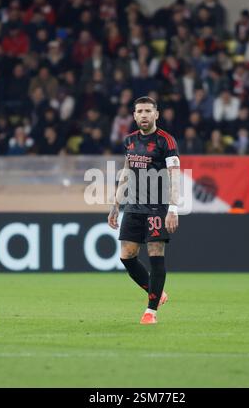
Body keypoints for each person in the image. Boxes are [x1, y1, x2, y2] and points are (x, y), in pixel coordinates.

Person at [108, 96, 180, 325]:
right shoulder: (129, 141)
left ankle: (151, 311)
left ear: (156, 114)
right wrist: (115, 204)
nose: (144, 115)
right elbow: (127, 173)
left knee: (155, 254)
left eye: (148, 110)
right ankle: (158, 293)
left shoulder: (166, 141)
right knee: (127, 256)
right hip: (134, 205)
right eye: (140, 111)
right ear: (134, 115)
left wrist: (173, 209)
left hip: (158, 206)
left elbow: (174, 175)